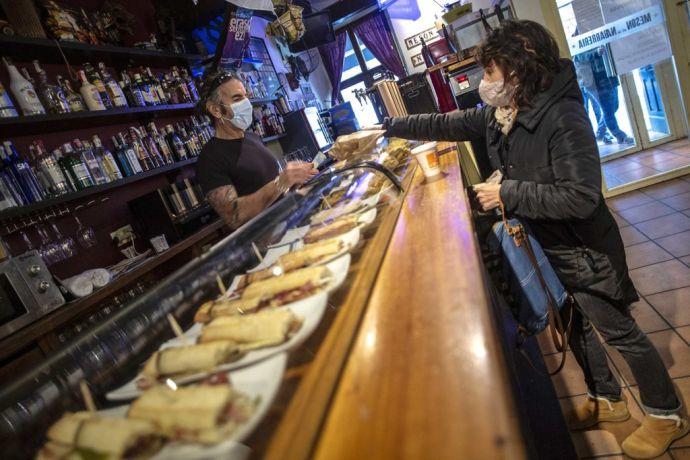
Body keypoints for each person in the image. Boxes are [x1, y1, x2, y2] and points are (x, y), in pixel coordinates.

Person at [380, 20, 687, 459]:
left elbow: (581, 197)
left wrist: (506, 192)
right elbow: (446, 122)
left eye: (490, 72)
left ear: (520, 70)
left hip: (584, 249)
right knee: (575, 325)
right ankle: (610, 401)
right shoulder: (504, 114)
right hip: (550, 245)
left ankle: (666, 413)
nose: (483, 83)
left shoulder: (563, 116)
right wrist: (392, 125)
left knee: (619, 332)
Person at [195, 70, 317, 229]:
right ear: (216, 110)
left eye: (246, 97)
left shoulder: (252, 137)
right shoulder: (209, 159)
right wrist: (281, 183)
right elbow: (234, 216)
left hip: (293, 223)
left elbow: (272, 187)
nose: (247, 104)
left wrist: (295, 182)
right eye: (237, 98)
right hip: (266, 242)